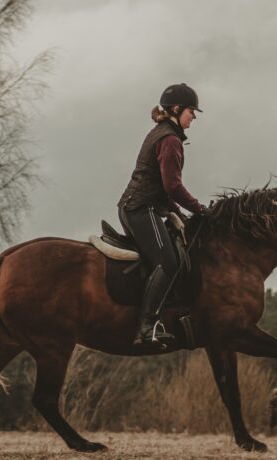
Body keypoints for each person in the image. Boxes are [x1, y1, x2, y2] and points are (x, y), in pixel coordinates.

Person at [117, 83, 207, 348]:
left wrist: (179, 213)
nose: (194, 116)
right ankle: (145, 328)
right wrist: (200, 209)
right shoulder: (170, 139)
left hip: (140, 207)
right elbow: (173, 186)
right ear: (177, 109)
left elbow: (166, 191)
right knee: (169, 262)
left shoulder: (164, 133)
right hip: (140, 210)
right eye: (192, 111)